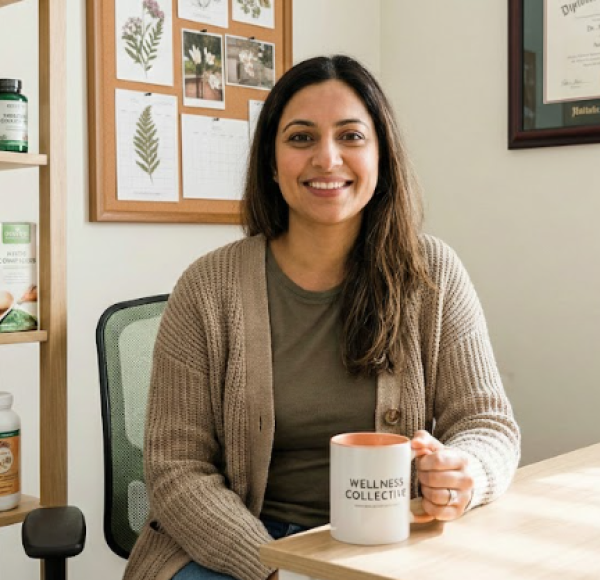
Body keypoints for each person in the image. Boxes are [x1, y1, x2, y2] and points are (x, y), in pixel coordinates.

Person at [123, 55, 520, 580]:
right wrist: (276, 567)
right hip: (236, 546)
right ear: (271, 159)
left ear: (382, 155)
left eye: (351, 136)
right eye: (301, 138)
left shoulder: (433, 274)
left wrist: (468, 471)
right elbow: (177, 469)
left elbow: (486, 424)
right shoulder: (208, 287)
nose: (327, 159)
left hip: (391, 543)